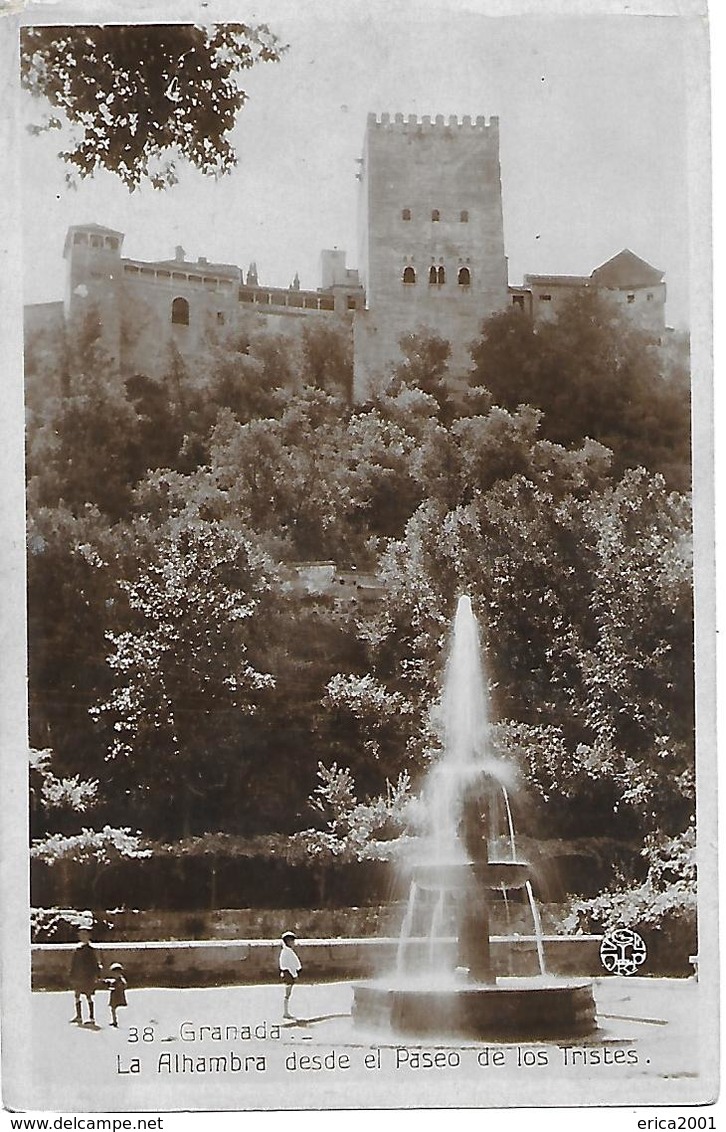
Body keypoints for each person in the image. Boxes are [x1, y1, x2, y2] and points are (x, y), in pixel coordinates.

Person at [69, 926, 102, 1026]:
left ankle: (91, 1017)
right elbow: (73, 964)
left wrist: (97, 975)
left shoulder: (91, 950)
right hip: (78, 976)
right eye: (81, 935)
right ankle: (79, 1016)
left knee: (88, 996)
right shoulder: (77, 950)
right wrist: (72, 975)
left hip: (88, 977)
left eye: (85, 935)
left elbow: (95, 963)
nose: (83, 937)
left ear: (88, 936)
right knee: (77, 995)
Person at [278, 930, 302, 1019]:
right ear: (287, 942)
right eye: (292, 941)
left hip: (289, 973)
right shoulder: (287, 952)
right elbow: (290, 965)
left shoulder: (287, 951)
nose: (293, 943)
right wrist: (295, 975)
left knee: (288, 993)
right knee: (287, 993)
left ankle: (286, 1011)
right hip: (289, 974)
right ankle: (285, 1012)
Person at [105, 962, 128, 1028]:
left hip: (118, 995)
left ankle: (116, 1021)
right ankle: (114, 1021)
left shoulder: (120, 979)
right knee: (113, 1008)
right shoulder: (115, 979)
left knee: (115, 1008)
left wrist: (116, 986)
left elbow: (124, 985)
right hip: (114, 994)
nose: (115, 974)